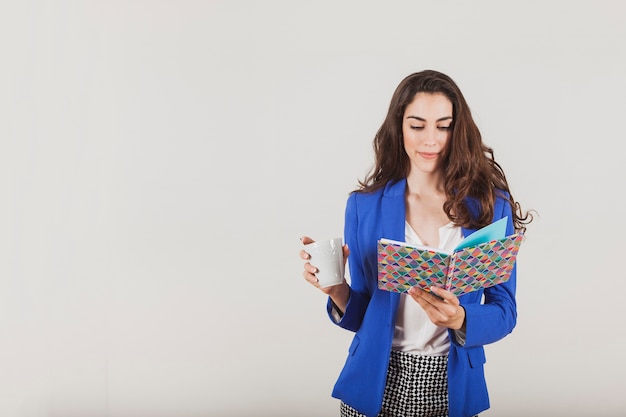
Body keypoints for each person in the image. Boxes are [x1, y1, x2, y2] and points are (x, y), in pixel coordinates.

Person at [299, 69, 533, 417]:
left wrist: (461, 318)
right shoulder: (364, 205)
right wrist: (336, 291)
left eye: (444, 125)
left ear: (458, 129)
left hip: (451, 384)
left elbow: (505, 311)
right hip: (376, 380)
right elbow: (364, 312)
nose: (430, 139)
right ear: (399, 126)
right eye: (417, 124)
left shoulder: (490, 204)